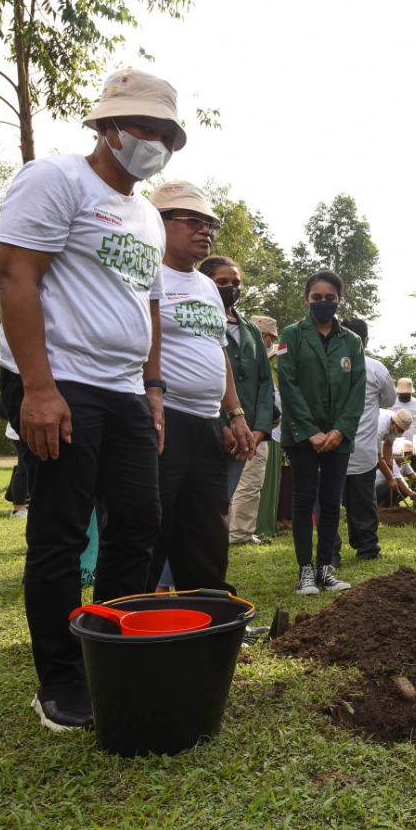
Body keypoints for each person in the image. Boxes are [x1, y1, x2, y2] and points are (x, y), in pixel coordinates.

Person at [0, 69, 184, 731]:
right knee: (61, 532)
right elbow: (16, 274)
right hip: (63, 382)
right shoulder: (56, 180)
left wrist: (153, 391)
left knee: (137, 525)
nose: (155, 143)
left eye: (165, 134)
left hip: (126, 391)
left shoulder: (148, 217)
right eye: (146, 129)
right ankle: (59, 681)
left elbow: (149, 309)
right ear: (108, 127)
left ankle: (109, 651)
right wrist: (39, 388)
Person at [146, 183, 254, 593]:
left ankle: (207, 618)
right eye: (193, 221)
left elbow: (218, 352)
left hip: (207, 423)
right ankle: (139, 621)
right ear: (160, 222)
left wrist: (235, 414)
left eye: (210, 224)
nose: (205, 230)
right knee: (152, 526)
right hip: (162, 419)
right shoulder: (147, 273)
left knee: (207, 527)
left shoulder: (208, 287)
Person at [277, 270, 366, 596]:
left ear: (339, 300)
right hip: (302, 436)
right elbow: (287, 384)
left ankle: (326, 568)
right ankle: (306, 572)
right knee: (303, 501)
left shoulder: (352, 342)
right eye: (317, 298)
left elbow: (357, 391)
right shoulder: (291, 335)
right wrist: (311, 431)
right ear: (307, 299)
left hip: (339, 437)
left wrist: (341, 430)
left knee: (331, 502)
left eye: (330, 298)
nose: (323, 303)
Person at [200, 254, 274, 506]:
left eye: (236, 283)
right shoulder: (198, 321)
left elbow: (265, 381)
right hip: (211, 426)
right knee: (201, 502)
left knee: (223, 500)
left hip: (245, 433)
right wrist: (222, 425)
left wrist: (260, 429)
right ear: (205, 282)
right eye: (222, 281)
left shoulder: (252, 329)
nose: (231, 288)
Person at [335, 317, 396, 561]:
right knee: (363, 502)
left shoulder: (328, 364)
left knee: (329, 504)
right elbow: (389, 401)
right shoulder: (376, 368)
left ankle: (331, 552)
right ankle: (368, 548)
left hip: (330, 446)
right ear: (366, 340)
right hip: (363, 449)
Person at [230, 314, 280, 544]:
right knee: (250, 482)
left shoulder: (261, 359)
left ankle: (238, 530)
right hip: (248, 428)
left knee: (247, 482)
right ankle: (239, 533)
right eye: (269, 338)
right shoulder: (248, 358)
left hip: (254, 428)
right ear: (264, 336)